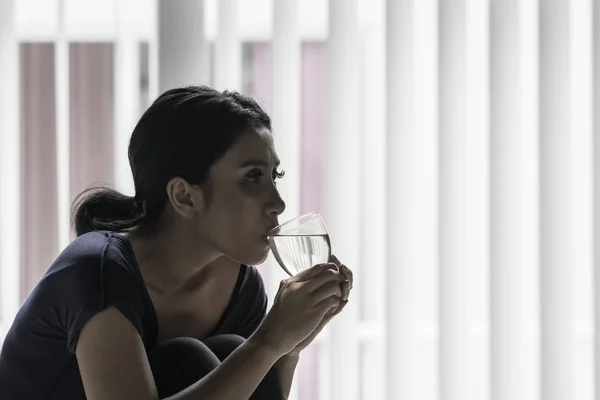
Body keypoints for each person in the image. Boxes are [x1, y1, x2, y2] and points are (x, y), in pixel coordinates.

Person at [0, 85, 353, 399]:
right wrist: (268, 341)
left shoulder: (239, 285)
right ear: (184, 197)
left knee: (233, 351)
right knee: (193, 358)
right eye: (253, 177)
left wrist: (289, 348)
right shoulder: (98, 270)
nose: (278, 203)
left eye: (274, 176)